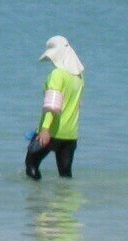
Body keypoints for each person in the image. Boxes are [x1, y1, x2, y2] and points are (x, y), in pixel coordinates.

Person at [27, 36, 85, 180]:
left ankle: (37, 194)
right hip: (70, 135)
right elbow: (77, 105)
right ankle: (66, 195)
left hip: (51, 132)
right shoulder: (79, 78)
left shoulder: (57, 75)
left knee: (31, 165)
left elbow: (52, 106)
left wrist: (45, 129)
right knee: (65, 175)